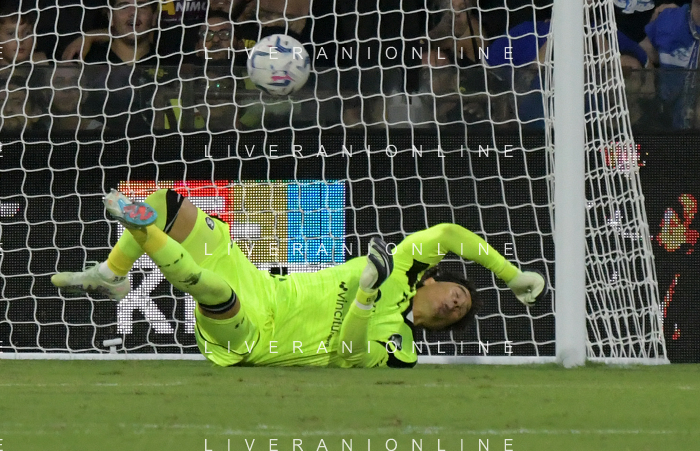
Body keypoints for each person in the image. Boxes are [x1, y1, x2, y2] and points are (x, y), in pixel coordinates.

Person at [53, 187, 545, 367]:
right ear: (432, 281)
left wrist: (366, 296)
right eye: (458, 293)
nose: (456, 304)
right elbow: (449, 233)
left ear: (443, 327)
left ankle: (140, 230)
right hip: (262, 284)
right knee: (168, 205)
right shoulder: (398, 266)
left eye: (459, 313)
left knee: (214, 290)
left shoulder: (403, 348)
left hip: (260, 340)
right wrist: (509, 275)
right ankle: (114, 273)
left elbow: (350, 352)